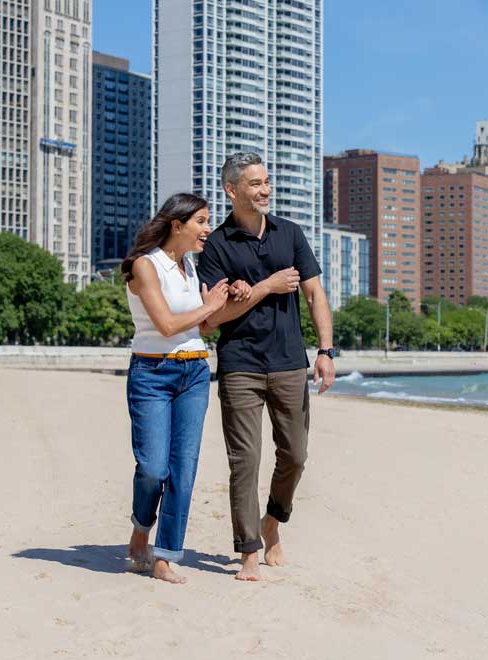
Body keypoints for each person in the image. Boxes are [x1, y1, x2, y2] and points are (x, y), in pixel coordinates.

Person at [197, 153, 337, 582]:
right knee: (245, 460)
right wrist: (266, 287)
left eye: (267, 181)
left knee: (295, 454)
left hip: (290, 364)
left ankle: (273, 520)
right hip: (240, 364)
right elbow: (209, 320)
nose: (265, 190)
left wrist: (326, 351)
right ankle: (249, 551)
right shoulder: (217, 245)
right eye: (255, 183)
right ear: (232, 190)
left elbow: (314, 295)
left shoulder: (290, 234)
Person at [120, 193, 231, 584]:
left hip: (195, 372)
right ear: (177, 224)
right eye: (201, 221)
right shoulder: (143, 266)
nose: (207, 229)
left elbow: (200, 329)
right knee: (153, 468)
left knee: (183, 470)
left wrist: (217, 309)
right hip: (152, 373)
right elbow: (166, 325)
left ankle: (165, 555)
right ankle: (140, 527)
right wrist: (210, 304)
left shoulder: (190, 266)